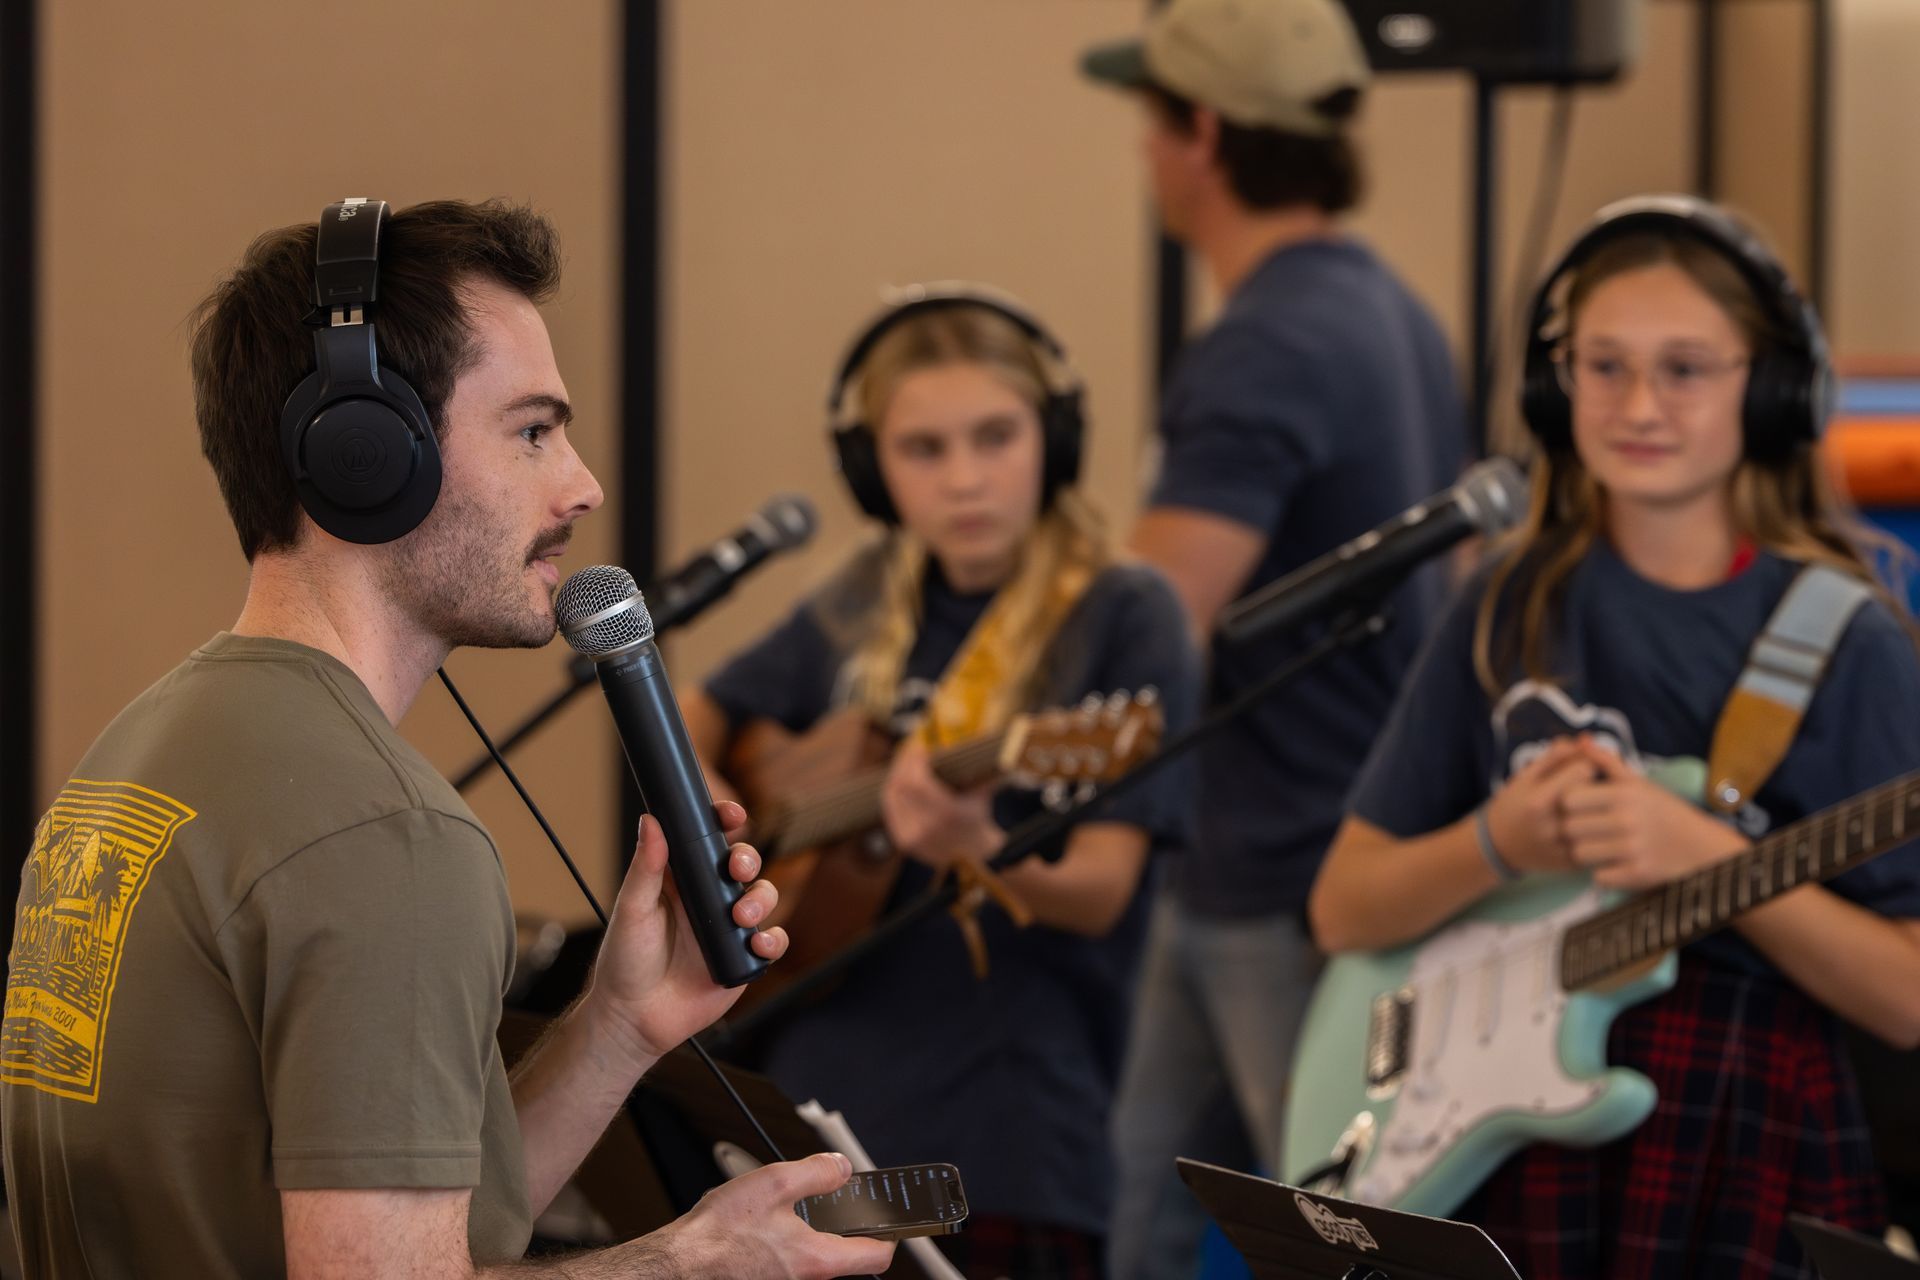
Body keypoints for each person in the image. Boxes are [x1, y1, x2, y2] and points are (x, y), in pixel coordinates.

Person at [0, 198, 895, 1280]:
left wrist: (616, 1022)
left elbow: (397, 1220)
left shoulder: (145, 751)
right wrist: (695, 1259)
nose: (582, 484)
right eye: (532, 430)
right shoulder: (389, 837)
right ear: (369, 455)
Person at [1309, 196, 1920, 1278]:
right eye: (1604, 365)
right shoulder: (1506, 603)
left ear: (1773, 391)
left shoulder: (1852, 641)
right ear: (1556, 387)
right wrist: (1496, 841)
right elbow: (1344, 904)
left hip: (1743, 1138)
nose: (1640, 403)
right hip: (1509, 1147)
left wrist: (1717, 863)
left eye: (1686, 367)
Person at [682, 286, 1200, 1280]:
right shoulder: (862, 593)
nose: (966, 478)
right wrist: (721, 820)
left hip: (1005, 1129)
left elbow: (1101, 891)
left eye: (996, 435)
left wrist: (970, 848)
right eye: (923, 449)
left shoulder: (1125, 614)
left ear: (1053, 435)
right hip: (810, 1088)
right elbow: (693, 713)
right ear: (868, 467)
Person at [1077, 1, 1470, 1273]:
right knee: (1134, 1200)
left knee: (1330, 1238)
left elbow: (1154, 620)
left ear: (1203, 133)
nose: (1142, 155)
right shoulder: (1389, 311)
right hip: (1272, 855)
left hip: (1284, 878)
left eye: (1153, 123)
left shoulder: (1263, 345)